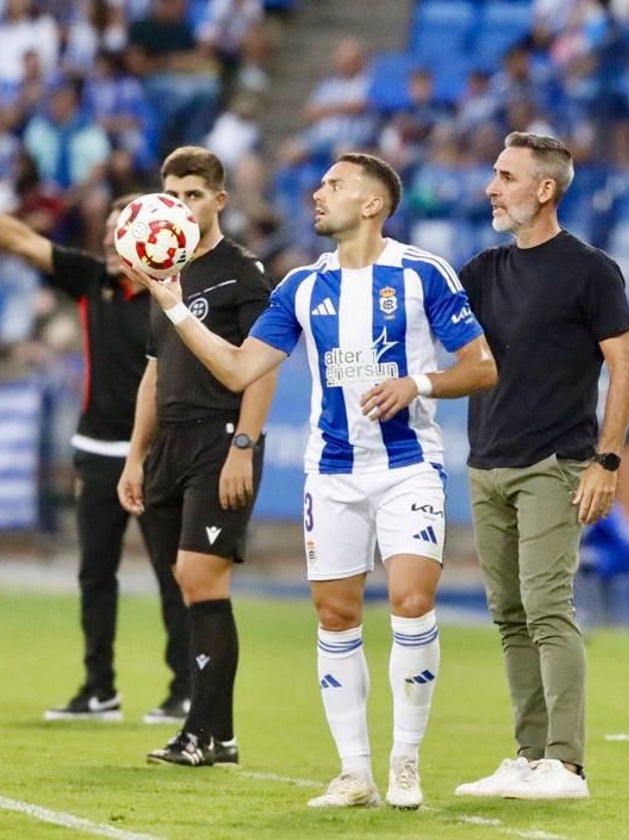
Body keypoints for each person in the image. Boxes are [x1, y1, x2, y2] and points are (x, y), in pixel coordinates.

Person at [125, 152, 497, 808]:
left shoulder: (422, 274)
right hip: (331, 472)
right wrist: (176, 309)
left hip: (408, 464)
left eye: (333, 185)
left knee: (411, 599)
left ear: (373, 202)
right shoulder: (300, 286)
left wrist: (419, 382)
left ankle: (405, 760)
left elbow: (482, 366)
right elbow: (241, 370)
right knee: (335, 615)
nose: (317, 194)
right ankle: (354, 773)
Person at [0, 161, 191, 724]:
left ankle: (183, 691)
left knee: (175, 576)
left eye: (125, 232)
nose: (114, 243)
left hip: (155, 454)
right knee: (95, 573)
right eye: (110, 234)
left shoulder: (175, 296)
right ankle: (100, 690)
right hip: (96, 450)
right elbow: (21, 240)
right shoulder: (92, 278)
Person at [453, 131, 629, 800]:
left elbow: (624, 367)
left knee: (547, 606)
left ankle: (566, 763)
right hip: (486, 463)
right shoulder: (481, 270)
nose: (491, 187)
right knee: (508, 613)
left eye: (505, 176)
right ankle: (529, 756)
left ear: (544, 189)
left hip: (553, 464)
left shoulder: (590, 270)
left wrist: (606, 462)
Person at [118, 146, 278, 767]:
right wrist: (135, 457)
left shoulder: (241, 271)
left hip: (220, 436)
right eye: (172, 194)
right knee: (186, 589)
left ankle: (202, 732)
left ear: (218, 200)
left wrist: (245, 444)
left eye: (192, 195)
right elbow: (154, 376)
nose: (180, 206)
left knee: (200, 577)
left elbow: (262, 366)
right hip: (170, 444)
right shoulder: (161, 275)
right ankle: (221, 733)